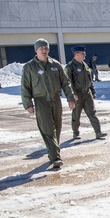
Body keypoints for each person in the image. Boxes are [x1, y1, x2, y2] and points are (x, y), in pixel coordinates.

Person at [21, 39, 76, 169]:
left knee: (57, 127)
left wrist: (70, 98)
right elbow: (25, 86)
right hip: (41, 101)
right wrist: (27, 103)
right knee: (48, 129)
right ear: (36, 50)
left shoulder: (55, 65)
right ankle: (55, 157)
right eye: (41, 48)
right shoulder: (29, 67)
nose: (44, 51)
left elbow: (66, 82)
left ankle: (53, 151)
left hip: (55, 100)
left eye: (46, 48)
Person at [65, 45, 105, 140]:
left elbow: (89, 80)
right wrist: (72, 94)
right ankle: (76, 133)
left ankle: (98, 132)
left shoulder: (85, 65)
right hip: (77, 95)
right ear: (77, 54)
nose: (85, 55)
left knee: (92, 113)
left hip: (87, 94)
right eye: (83, 53)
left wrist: (93, 91)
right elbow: (68, 83)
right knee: (76, 115)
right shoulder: (70, 67)